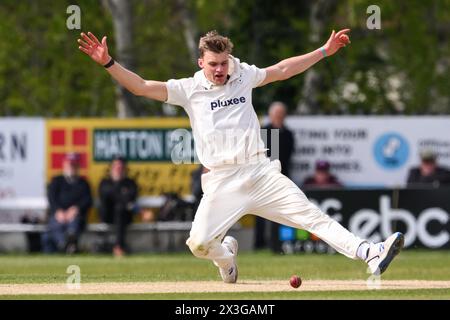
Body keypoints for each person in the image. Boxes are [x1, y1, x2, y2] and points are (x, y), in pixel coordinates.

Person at [78, 29, 404, 282]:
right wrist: (109, 62)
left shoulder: (242, 73)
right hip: (221, 181)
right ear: (200, 63)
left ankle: (370, 252)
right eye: (213, 65)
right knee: (198, 244)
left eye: (223, 63)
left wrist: (323, 51)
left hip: (260, 172)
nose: (220, 70)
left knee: (313, 217)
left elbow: (282, 70)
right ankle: (226, 257)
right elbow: (140, 86)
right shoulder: (187, 89)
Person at [255, 102, 295, 251]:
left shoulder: (288, 133)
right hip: (264, 177)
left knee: (281, 211)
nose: (279, 117)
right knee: (260, 211)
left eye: (281, 114)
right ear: (271, 115)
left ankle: (278, 243)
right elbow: (266, 156)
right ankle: (259, 243)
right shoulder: (265, 131)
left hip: (283, 176)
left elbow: (288, 155)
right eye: (276, 114)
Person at [42, 153, 93, 254]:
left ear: (78, 166)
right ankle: (66, 245)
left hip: (76, 216)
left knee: (74, 224)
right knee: (55, 224)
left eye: (74, 165)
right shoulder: (56, 181)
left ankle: (68, 242)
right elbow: (51, 198)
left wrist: (76, 209)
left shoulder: (83, 183)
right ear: (64, 165)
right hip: (58, 215)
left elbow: (88, 200)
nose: (71, 167)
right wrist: (58, 211)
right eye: (69, 164)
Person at [98, 156, 138, 257]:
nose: (118, 170)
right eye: (116, 167)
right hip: (108, 216)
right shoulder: (104, 182)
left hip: (124, 217)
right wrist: (122, 194)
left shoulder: (130, 183)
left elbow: (131, 198)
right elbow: (106, 194)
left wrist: (119, 196)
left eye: (121, 167)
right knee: (119, 208)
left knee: (120, 209)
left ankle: (118, 247)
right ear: (111, 168)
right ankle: (119, 247)